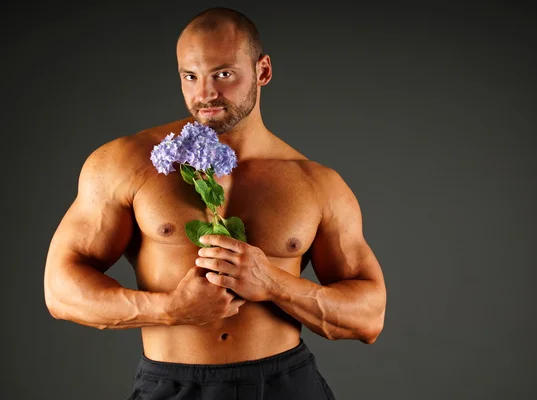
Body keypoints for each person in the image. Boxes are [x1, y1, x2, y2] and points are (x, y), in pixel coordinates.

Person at [43, 6, 386, 400]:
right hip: (172, 386)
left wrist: (273, 283)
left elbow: (369, 317)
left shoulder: (316, 183)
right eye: (190, 76)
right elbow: (60, 291)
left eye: (223, 74)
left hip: (286, 385)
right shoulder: (127, 163)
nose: (204, 93)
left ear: (263, 71)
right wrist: (171, 309)